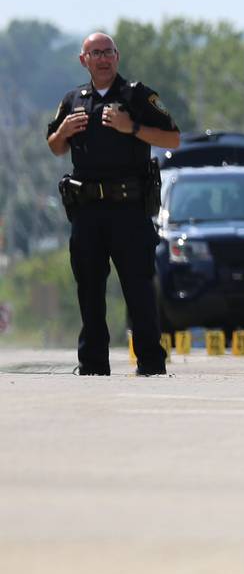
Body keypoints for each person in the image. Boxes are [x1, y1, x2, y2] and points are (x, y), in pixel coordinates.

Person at [46, 32, 181, 375]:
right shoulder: (74, 100)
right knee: (89, 290)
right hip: (88, 210)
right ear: (83, 60)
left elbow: (173, 139)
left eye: (108, 52)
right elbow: (55, 146)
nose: (103, 59)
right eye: (95, 53)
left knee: (138, 289)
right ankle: (92, 364)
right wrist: (62, 132)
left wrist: (131, 127)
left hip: (129, 209)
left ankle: (150, 363)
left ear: (117, 57)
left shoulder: (138, 96)